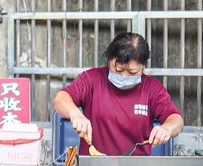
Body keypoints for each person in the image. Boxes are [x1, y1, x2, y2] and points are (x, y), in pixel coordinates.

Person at [53, 31, 183, 156]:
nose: (124, 76)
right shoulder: (92, 79)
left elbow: (176, 119)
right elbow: (61, 98)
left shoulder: (152, 89)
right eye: (118, 69)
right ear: (109, 59)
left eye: (132, 72)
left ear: (143, 67)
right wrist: (75, 113)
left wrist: (167, 128)